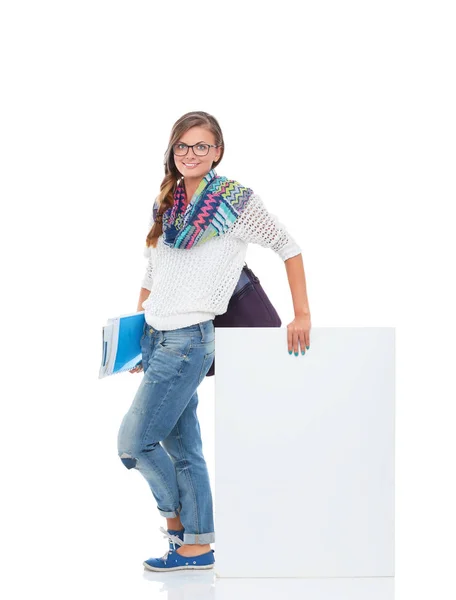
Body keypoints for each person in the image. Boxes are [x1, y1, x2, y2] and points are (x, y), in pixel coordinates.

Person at [117, 111, 311, 572]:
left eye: (201, 146)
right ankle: (198, 549)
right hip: (156, 336)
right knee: (184, 450)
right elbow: (152, 269)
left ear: (218, 151)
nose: (191, 154)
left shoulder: (237, 203)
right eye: (183, 146)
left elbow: (290, 246)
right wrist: (137, 329)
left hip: (189, 340)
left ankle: (178, 526)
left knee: (134, 443)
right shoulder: (165, 202)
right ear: (172, 150)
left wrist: (302, 313)